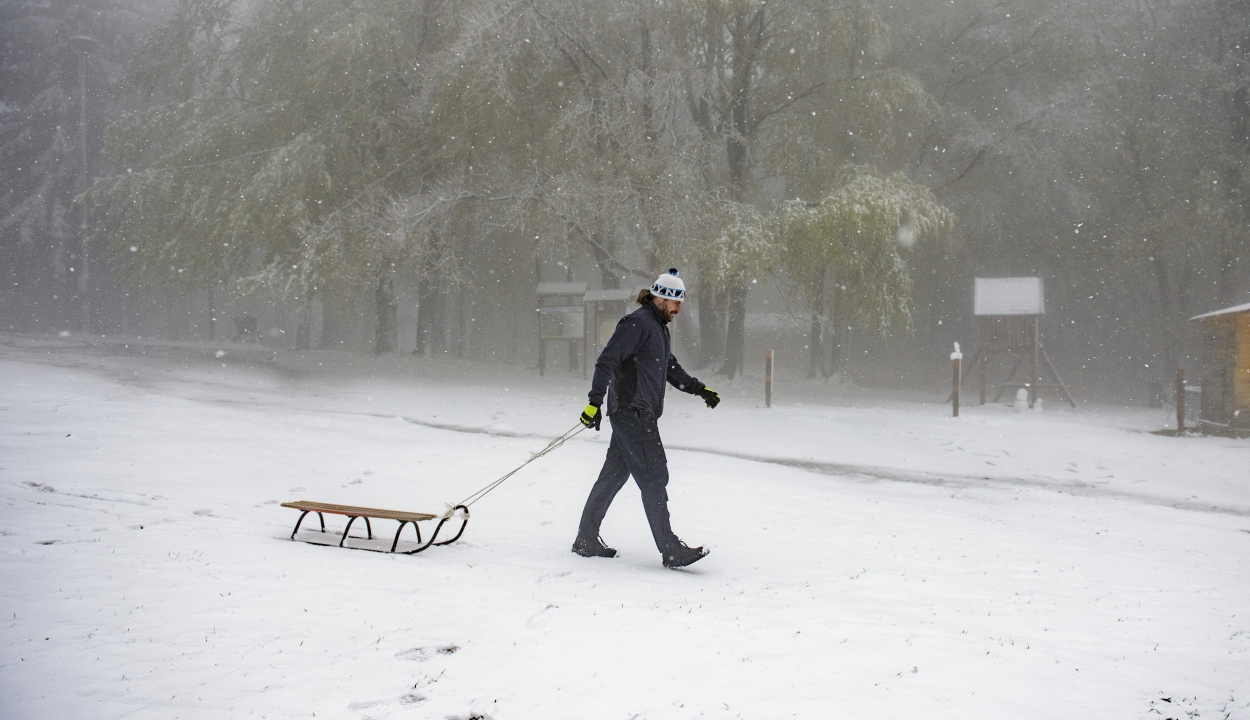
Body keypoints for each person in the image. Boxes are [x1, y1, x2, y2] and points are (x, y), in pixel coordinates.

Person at [572, 268, 721, 569]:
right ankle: (670, 548)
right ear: (661, 298)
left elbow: (669, 367)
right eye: (676, 302)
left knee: (613, 475)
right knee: (654, 476)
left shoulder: (657, 328)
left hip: (635, 413)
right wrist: (593, 402)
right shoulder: (637, 324)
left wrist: (699, 389)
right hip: (633, 413)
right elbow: (607, 360)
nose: (679, 309)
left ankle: (586, 538)